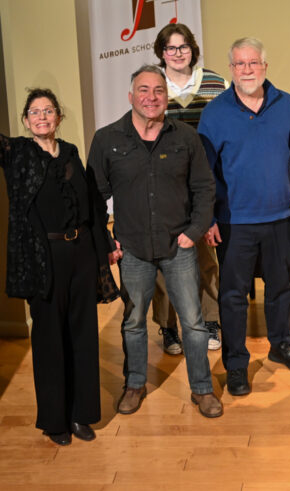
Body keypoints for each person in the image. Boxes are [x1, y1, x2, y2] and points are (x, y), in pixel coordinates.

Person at [88, 66, 221, 418]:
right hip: (132, 249)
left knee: (193, 322)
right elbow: (93, 198)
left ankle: (202, 389)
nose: (151, 97)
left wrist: (194, 231)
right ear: (131, 96)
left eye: (159, 90)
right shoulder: (107, 139)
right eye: (143, 90)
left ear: (167, 96)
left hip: (179, 246)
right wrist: (106, 240)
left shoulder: (185, 137)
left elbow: (204, 188)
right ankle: (134, 384)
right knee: (133, 322)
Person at [198, 38, 290, 398]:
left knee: (281, 287)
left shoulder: (286, 105)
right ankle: (236, 363)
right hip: (233, 222)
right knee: (233, 295)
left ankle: (281, 344)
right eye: (239, 64)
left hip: (282, 217)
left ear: (265, 66)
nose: (247, 70)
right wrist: (207, 218)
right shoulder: (214, 113)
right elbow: (203, 174)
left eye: (253, 63)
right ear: (231, 69)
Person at [2, 90, 117, 445]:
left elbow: (91, 205)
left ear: (58, 117)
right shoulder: (18, 154)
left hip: (81, 253)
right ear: (25, 121)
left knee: (83, 335)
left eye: (48, 110)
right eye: (34, 112)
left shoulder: (70, 152)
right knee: (49, 338)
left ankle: (81, 415)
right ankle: (55, 421)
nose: (41, 117)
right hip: (44, 258)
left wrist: (105, 247)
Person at [150, 23, 227, 355]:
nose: (178, 53)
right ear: (162, 52)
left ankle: (210, 321)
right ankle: (169, 327)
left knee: (205, 257)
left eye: (183, 47)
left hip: (202, 184)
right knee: (163, 258)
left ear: (192, 49)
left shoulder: (216, 84)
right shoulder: (151, 84)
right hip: (162, 186)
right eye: (171, 48)